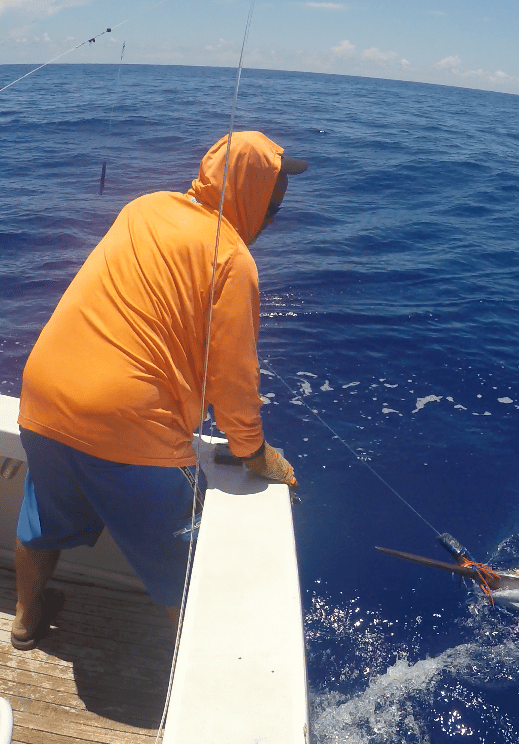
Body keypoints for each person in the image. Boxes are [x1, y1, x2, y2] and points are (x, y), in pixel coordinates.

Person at [11, 131, 305, 650]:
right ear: (251, 197)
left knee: (43, 522)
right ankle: (194, 679)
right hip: (130, 424)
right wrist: (254, 452)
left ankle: (23, 620)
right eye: (272, 205)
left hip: (43, 397)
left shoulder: (144, 207)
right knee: (186, 572)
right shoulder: (233, 261)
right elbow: (233, 384)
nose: (274, 217)